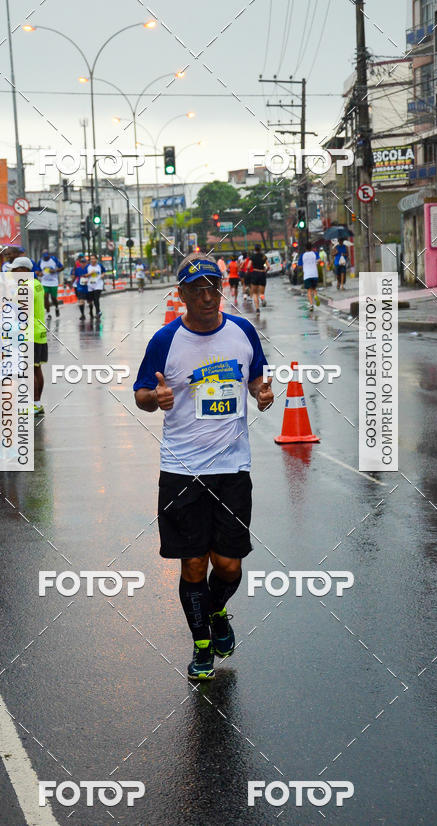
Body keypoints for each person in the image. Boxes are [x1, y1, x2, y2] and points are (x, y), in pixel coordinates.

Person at [133, 253, 274, 680]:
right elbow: (140, 392)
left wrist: (262, 394)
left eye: (214, 286)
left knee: (229, 564)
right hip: (181, 469)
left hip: (232, 469)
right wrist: (153, 400)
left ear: (222, 289)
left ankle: (216, 611)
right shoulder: (164, 340)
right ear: (182, 295)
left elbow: (256, 381)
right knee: (193, 564)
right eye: (197, 288)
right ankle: (201, 646)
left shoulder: (243, 332)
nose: (207, 295)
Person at [9, 256, 48, 414]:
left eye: (15, 270)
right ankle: (37, 403)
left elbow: (19, 312)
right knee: (36, 368)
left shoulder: (24, 287)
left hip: (28, 334)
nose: (12, 273)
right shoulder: (37, 284)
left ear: (24, 270)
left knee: (28, 371)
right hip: (39, 332)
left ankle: (33, 403)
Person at [39, 250, 63, 318]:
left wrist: (55, 270)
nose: (46, 258)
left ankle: (56, 308)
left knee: (53, 298)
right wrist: (39, 273)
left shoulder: (54, 259)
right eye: (44, 257)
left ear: (49, 255)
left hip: (53, 282)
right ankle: (48, 313)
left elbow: (62, 267)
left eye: (47, 257)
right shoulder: (40, 261)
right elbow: (37, 270)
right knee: (45, 297)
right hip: (44, 282)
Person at [301, 242, 321, 311]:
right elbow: (319, 260)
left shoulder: (302, 255)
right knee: (314, 288)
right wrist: (315, 263)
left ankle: (311, 305)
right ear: (311, 247)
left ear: (305, 248)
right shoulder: (315, 254)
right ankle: (315, 296)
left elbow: (300, 265)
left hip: (307, 275)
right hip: (314, 274)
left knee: (309, 290)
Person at [249, 244, 267, 314]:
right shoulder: (264, 256)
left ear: (254, 249)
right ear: (260, 249)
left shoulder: (252, 256)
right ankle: (262, 298)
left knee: (255, 293)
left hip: (255, 273)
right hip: (262, 274)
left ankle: (257, 309)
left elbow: (248, 266)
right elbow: (268, 266)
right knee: (262, 293)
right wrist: (265, 271)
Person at [86, 254, 105, 319]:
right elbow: (85, 275)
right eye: (91, 259)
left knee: (96, 299)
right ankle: (91, 311)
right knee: (90, 300)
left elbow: (104, 272)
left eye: (94, 259)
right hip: (90, 285)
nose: (92, 260)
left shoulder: (99, 266)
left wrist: (102, 275)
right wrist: (90, 273)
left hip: (98, 284)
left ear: (96, 259)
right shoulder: (88, 266)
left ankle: (98, 312)